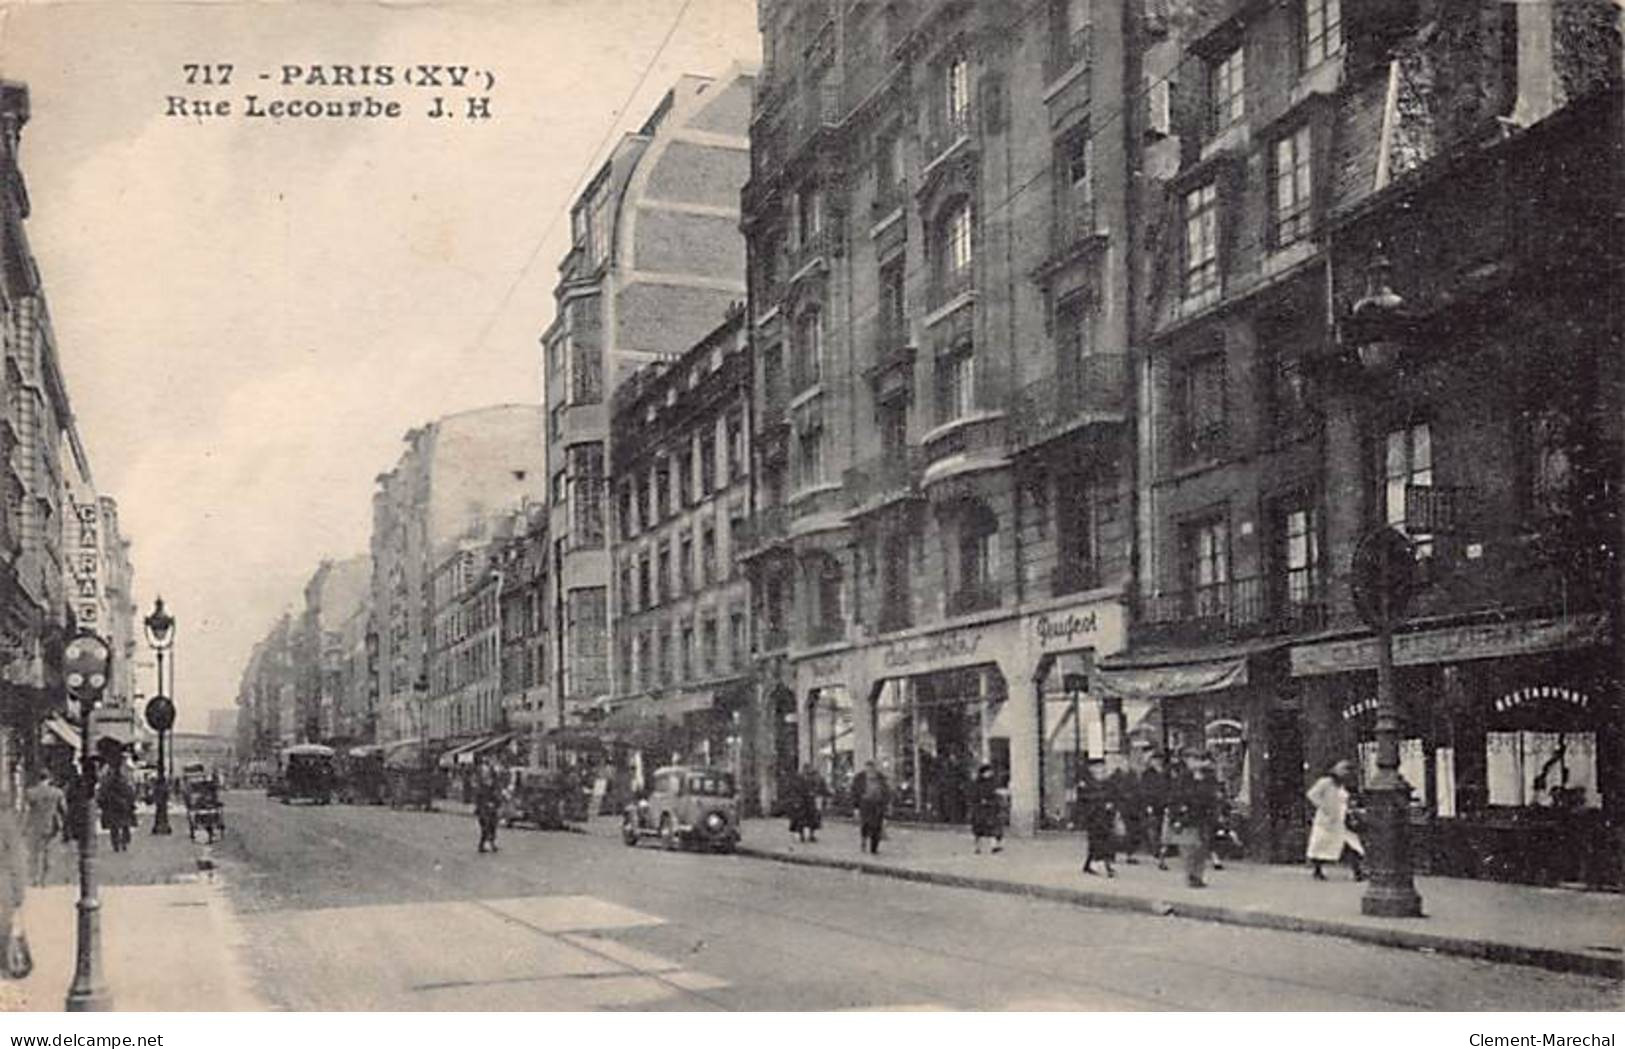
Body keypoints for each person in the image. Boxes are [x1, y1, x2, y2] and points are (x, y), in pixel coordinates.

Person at [1306, 759, 1364, 881]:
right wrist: (1324, 807)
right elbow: (1312, 795)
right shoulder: (1325, 782)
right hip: (1327, 820)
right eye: (1343, 769)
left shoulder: (1342, 785)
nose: (1345, 772)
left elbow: (1344, 800)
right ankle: (1317, 870)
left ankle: (1357, 871)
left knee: (1353, 845)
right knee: (1321, 846)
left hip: (1341, 820)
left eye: (1347, 770)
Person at [22, 774, 65, 886]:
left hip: (34, 825)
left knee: (35, 853)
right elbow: (64, 810)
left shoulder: (30, 793)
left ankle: (35, 878)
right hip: (51, 826)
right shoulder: (57, 793)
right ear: (49, 779)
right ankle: (45, 879)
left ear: (38, 779)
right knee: (48, 852)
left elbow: (25, 811)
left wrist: (24, 826)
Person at [1079, 765, 1116, 877]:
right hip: (1094, 819)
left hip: (1105, 819)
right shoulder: (1090, 786)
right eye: (1099, 772)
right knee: (1097, 842)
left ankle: (1099, 865)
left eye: (1103, 772)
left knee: (1103, 842)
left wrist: (1111, 805)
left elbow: (1113, 797)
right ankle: (1102, 866)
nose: (1102, 774)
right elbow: (1085, 802)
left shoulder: (1106, 785)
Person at [850, 760, 889, 855]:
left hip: (877, 805)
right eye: (868, 767)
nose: (870, 769)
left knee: (876, 826)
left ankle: (874, 848)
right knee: (865, 824)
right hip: (865, 804)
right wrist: (856, 806)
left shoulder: (880, 777)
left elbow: (886, 790)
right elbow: (854, 791)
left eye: (872, 767)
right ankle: (864, 841)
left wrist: (885, 803)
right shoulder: (860, 777)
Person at [98, 764, 136, 854]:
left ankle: (117, 843)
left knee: (115, 827)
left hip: (113, 807)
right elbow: (130, 794)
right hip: (121, 807)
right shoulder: (124, 782)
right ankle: (123, 842)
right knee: (123, 825)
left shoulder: (108, 782)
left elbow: (102, 795)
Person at [968, 764, 1004, 854]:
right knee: (978, 830)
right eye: (988, 772)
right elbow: (973, 795)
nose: (990, 773)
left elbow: (995, 794)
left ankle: (994, 846)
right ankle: (977, 848)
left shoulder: (992, 783)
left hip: (990, 809)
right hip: (979, 810)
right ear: (983, 773)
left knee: (993, 828)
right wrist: (980, 800)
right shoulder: (977, 784)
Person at [787, 765, 827, 844]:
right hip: (801, 802)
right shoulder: (798, 779)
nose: (808, 772)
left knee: (813, 819)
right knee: (800, 820)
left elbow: (819, 788)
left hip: (810, 802)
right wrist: (796, 801)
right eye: (807, 770)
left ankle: (811, 835)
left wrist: (815, 793)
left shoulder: (814, 778)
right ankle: (802, 835)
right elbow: (794, 790)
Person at [474, 762, 502, 854]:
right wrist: (483, 806)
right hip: (484, 809)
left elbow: (497, 797)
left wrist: (495, 803)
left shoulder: (494, 786)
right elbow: (479, 798)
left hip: (492, 809)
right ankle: (482, 845)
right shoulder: (481, 787)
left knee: (493, 827)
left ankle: (492, 844)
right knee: (485, 828)